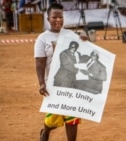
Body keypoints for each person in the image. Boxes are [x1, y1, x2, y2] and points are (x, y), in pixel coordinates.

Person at [34, 2, 88, 141]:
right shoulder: (42, 39)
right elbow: (40, 63)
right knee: (53, 117)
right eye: (54, 17)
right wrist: (41, 83)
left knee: (72, 117)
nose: (58, 20)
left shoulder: (70, 35)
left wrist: (83, 38)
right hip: (54, 84)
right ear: (48, 19)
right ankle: (45, 132)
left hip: (71, 83)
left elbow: (82, 55)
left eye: (61, 17)